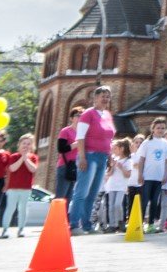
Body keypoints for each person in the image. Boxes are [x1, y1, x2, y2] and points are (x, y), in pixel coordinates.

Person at [69, 87, 116, 233]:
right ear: (95, 98)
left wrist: (109, 156)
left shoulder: (107, 114)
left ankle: (87, 225)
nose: (105, 99)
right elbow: (81, 137)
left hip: (102, 157)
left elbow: (109, 137)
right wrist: (82, 157)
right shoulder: (88, 114)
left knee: (93, 193)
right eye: (103, 96)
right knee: (82, 192)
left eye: (108, 96)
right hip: (89, 155)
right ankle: (74, 224)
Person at [133, 118, 167, 229]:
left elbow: (166, 160)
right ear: (153, 129)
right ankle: (139, 224)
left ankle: (151, 224)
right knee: (144, 200)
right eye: (158, 128)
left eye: (162, 128)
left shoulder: (165, 143)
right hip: (147, 176)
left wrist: (165, 175)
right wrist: (140, 174)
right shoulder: (147, 143)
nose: (160, 130)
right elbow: (141, 159)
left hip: (158, 177)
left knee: (155, 201)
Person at [0, 133, 39, 238]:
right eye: (24, 143)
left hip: (26, 188)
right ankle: (5, 229)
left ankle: (21, 229)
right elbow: (12, 168)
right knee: (10, 208)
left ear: (32, 146)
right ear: (19, 144)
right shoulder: (14, 156)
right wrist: (22, 158)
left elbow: (33, 169)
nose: (26, 146)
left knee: (23, 209)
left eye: (28, 144)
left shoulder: (33, 157)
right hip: (13, 188)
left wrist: (26, 158)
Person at [54, 107, 83, 209]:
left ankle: (63, 222)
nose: (80, 117)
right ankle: (54, 221)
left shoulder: (82, 133)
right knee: (60, 197)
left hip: (76, 168)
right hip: (65, 166)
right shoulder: (65, 131)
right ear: (71, 118)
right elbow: (61, 149)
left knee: (69, 198)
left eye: (81, 116)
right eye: (77, 115)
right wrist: (76, 144)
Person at [103, 139, 133, 231]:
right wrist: (112, 166)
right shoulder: (114, 160)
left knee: (117, 204)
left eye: (115, 148)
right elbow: (109, 174)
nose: (113, 150)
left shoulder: (128, 161)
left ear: (122, 149)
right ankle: (112, 224)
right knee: (111, 205)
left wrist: (121, 167)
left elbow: (127, 175)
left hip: (121, 187)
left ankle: (121, 221)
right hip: (111, 186)